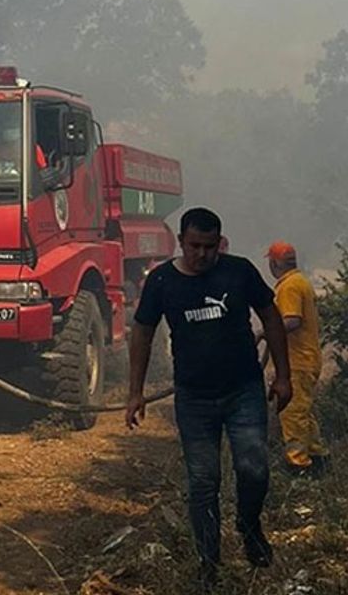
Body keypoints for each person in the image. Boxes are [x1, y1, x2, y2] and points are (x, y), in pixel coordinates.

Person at [125, 207, 292, 590]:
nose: (202, 255)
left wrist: (283, 376)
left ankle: (250, 528)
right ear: (181, 242)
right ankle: (209, 564)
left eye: (210, 246)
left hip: (243, 391)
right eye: (195, 246)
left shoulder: (240, 271)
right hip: (194, 399)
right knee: (204, 482)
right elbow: (142, 333)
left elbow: (271, 317)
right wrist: (135, 393)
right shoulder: (162, 281)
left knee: (254, 469)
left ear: (221, 242)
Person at [265, 241, 329, 475]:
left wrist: (266, 331)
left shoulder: (290, 286)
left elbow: (292, 320)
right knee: (303, 411)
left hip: (297, 361)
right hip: (307, 358)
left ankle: (298, 464)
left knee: (292, 412)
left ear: (274, 263)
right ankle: (317, 455)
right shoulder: (300, 281)